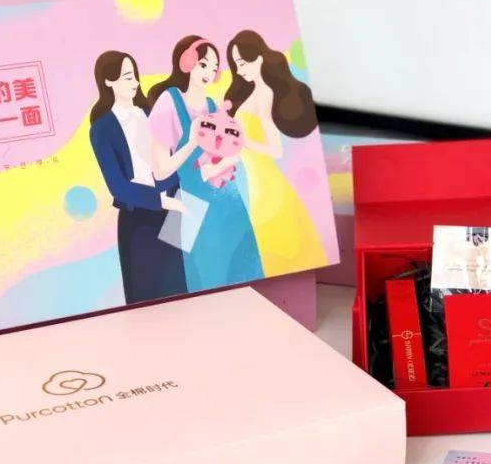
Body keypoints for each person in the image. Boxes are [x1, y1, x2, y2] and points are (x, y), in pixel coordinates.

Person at [147, 35, 263, 290]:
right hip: (191, 202)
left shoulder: (212, 106)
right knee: (201, 280)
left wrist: (228, 159)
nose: (209, 73)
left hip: (229, 201)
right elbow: (160, 171)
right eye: (203, 65)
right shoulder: (169, 101)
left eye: (214, 68)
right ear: (187, 62)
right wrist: (190, 144)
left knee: (246, 271)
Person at [224, 29, 328, 276]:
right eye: (236, 64)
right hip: (255, 182)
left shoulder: (264, 95)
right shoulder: (252, 95)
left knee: (271, 243)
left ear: (258, 59)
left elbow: (276, 149)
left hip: (267, 184)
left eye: (242, 63)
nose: (239, 70)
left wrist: (244, 142)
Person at [89, 50, 186, 303]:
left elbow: (174, 160)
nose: (135, 82)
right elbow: (118, 187)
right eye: (127, 77)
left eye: (135, 76)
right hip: (139, 217)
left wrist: (179, 199)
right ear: (108, 81)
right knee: (148, 297)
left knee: (187, 285)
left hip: (178, 205)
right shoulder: (102, 128)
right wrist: (162, 201)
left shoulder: (152, 113)